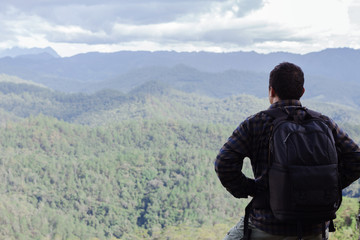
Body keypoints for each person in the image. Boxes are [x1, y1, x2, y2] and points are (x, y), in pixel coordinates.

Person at [214, 62, 360, 240]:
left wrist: (254, 189)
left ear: (271, 91)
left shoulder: (256, 123)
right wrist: (326, 184)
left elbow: (223, 163)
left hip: (266, 225)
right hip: (315, 227)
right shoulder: (325, 122)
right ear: (303, 91)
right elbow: (356, 158)